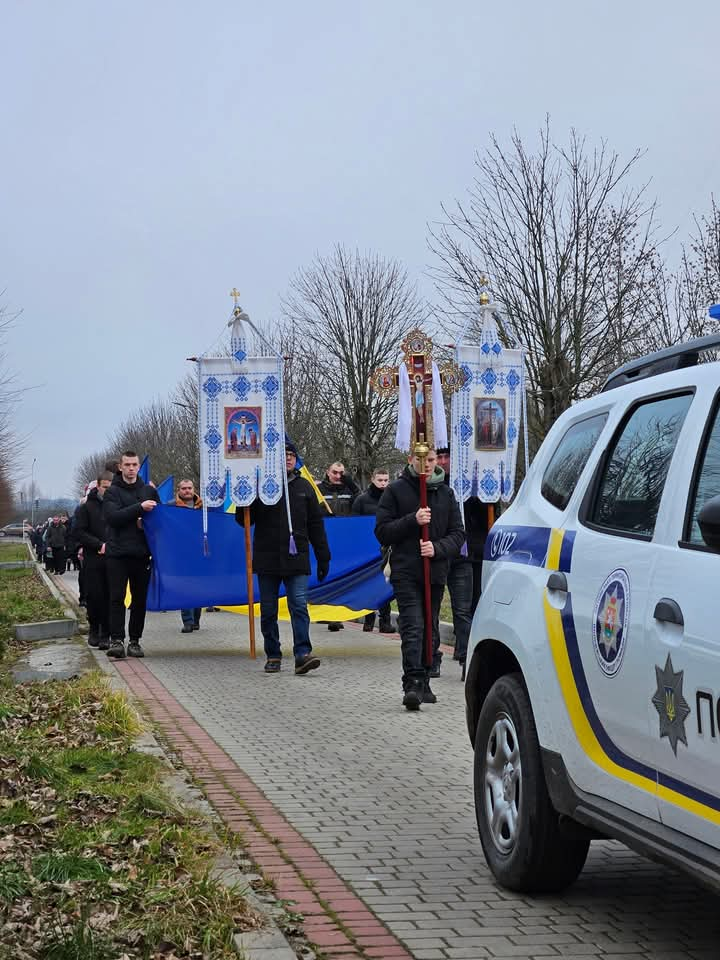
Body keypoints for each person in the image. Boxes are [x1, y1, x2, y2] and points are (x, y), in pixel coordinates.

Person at [375, 448, 464, 711]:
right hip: (406, 571)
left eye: (432, 460)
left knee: (429, 626)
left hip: (434, 572)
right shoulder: (396, 491)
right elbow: (382, 531)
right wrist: (412, 520)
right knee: (413, 625)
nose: (427, 464)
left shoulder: (446, 493)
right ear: (411, 460)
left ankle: (425, 678)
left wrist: (437, 548)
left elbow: (458, 534)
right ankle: (411, 681)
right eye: (421, 459)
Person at [235, 440, 330, 675]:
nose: (288, 458)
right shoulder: (261, 486)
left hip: (296, 557)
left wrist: (323, 555)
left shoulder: (305, 487)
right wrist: (244, 498)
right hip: (267, 558)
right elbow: (243, 520)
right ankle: (273, 654)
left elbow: (316, 525)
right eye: (283, 454)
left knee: (298, 605)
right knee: (268, 610)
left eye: (291, 455)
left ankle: (302, 654)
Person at [103, 451, 160, 659]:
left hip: (141, 554)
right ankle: (117, 640)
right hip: (117, 554)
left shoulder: (148, 491)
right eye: (127, 465)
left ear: (138, 466)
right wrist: (139, 509)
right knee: (117, 598)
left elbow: (160, 519)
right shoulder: (112, 492)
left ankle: (135, 641)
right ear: (120, 467)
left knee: (139, 600)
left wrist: (148, 517)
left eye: (134, 464)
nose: (131, 468)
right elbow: (112, 517)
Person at [352, 468, 395, 633]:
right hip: (367, 549)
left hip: (386, 548)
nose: (383, 484)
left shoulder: (392, 499)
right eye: (380, 480)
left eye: (386, 480)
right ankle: (368, 619)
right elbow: (355, 526)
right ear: (372, 479)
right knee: (368, 584)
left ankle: (385, 621)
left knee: (384, 583)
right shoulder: (361, 500)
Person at [318, 461, 360, 631]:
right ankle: (324, 612)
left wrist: (353, 486)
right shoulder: (319, 490)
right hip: (326, 538)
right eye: (335, 472)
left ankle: (337, 616)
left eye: (342, 473)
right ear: (328, 472)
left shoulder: (349, 490)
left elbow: (362, 502)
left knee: (343, 578)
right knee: (327, 576)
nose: (338, 476)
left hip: (345, 541)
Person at [74, 471, 113, 649]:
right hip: (93, 558)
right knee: (95, 595)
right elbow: (79, 532)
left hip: (113, 558)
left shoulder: (115, 506)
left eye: (111, 487)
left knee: (110, 596)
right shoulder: (86, 508)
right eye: (105, 487)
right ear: (98, 487)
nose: (108, 490)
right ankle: (94, 628)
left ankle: (106, 633)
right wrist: (98, 545)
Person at [174, 479, 203, 633]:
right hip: (181, 553)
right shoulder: (171, 507)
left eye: (189, 488)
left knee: (198, 585)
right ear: (178, 490)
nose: (187, 491)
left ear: (194, 489)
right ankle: (188, 621)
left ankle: (196, 619)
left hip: (199, 551)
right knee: (185, 586)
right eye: (183, 488)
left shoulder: (203, 506)